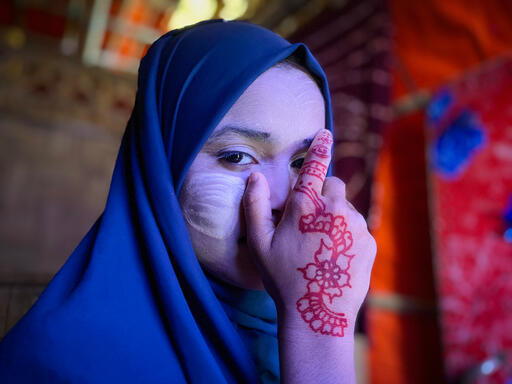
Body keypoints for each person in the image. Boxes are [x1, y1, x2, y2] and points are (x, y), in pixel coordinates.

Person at [0, 19, 376, 383]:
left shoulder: (277, 324)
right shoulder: (63, 363)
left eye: (301, 162)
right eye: (236, 156)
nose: (284, 201)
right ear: (162, 165)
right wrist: (321, 335)